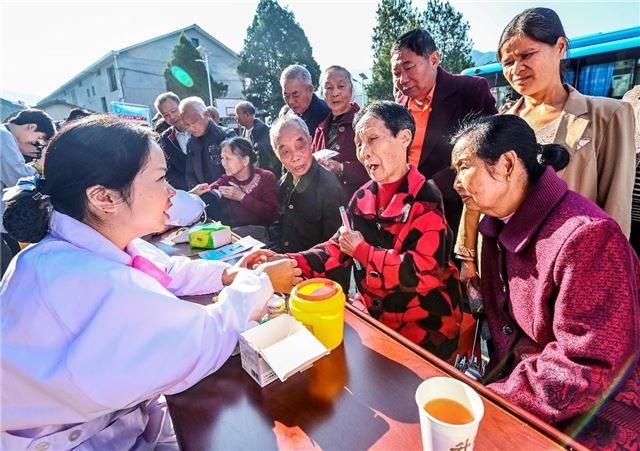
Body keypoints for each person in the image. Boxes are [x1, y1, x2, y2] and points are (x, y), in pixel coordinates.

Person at [0, 115, 301, 449]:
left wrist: (225, 273)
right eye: (160, 178)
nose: (171, 192)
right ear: (104, 198)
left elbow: (162, 269)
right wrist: (259, 281)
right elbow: (205, 338)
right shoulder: (92, 282)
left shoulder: (74, 247)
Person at [451, 114, 639, 450]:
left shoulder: (588, 237)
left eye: (463, 166)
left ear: (508, 164)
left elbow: (586, 366)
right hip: (531, 397)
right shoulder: (496, 224)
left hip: (592, 420)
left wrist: (493, 398)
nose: (456, 183)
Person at [456, 8, 637, 282]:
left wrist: (603, 274)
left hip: (570, 268)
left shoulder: (608, 116)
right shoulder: (497, 123)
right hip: (503, 268)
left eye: (526, 55)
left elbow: (616, 205)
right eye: (508, 62)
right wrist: (468, 256)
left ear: (560, 47)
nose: (516, 69)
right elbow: (474, 192)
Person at [287, 101, 463, 360]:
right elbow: (337, 248)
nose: (364, 152)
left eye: (372, 139)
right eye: (359, 143)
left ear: (404, 138)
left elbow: (421, 272)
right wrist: (290, 262)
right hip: (376, 322)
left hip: (424, 331)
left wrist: (364, 252)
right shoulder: (362, 197)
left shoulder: (425, 199)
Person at [391, 29, 497, 237]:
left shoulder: (469, 91)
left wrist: (437, 185)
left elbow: (488, 147)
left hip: (454, 209)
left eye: (408, 67)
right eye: (396, 73)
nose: (403, 79)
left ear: (434, 59)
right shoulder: (399, 104)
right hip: (407, 211)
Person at [270, 113, 346, 255]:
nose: (295, 157)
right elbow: (277, 226)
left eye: (300, 146)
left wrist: (294, 262)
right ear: (277, 154)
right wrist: (273, 254)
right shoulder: (282, 184)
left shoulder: (329, 186)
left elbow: (334, 246)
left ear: (310, 141)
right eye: (285, 151)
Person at [0, 108, 55, 276]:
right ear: (31, 127)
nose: (35, 143)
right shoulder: (4, 136)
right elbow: (17, 177)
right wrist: (40, 167)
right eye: (37, 138)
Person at [311, 65, 369, 199]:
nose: (335, 93)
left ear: (352, 89)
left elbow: (375, 165)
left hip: (358, 201)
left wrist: (342, 168)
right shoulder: (321, 129)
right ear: (323, 94)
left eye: (341, 86)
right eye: (329, 88)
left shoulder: (366, 123)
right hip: (327, 202)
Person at [208, 137, 278, 242]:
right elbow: (209, 193)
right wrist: (196, 193)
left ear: (245, 160)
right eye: (222, 158)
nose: (223, 163)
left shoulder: (266, 177)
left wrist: (242, 197)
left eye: (228, 158)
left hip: (262, 235)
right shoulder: (227, 180)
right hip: (235, 235)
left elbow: (272, 214)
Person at [179, 96, 236, 221]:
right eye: (186, 124)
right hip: (203, 201)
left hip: (228, 199)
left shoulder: (226, 135)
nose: (191, 128)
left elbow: (236, 171)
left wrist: (216, 191)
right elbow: (190, 173)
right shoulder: (191, 143)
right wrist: (195, 193)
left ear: (206, 115)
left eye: (194, 122)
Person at [280, 64, 330, 137]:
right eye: (286, 95)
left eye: (295, 94)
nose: (291, 101)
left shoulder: (327, 116)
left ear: (310, 89)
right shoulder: (288, 116)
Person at [235, 100, 282, 177]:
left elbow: (266, 157)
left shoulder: (263, 131)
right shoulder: (245, 132)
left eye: (237, 114)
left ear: (247, 114)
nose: (235, 118)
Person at [154, 92, 190, 191]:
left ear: (181, 106)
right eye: (166, 115)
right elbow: (169, 171)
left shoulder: (201, 128)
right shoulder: (164, 140)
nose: (172, 117)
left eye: (174, 111)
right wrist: (189, 192)